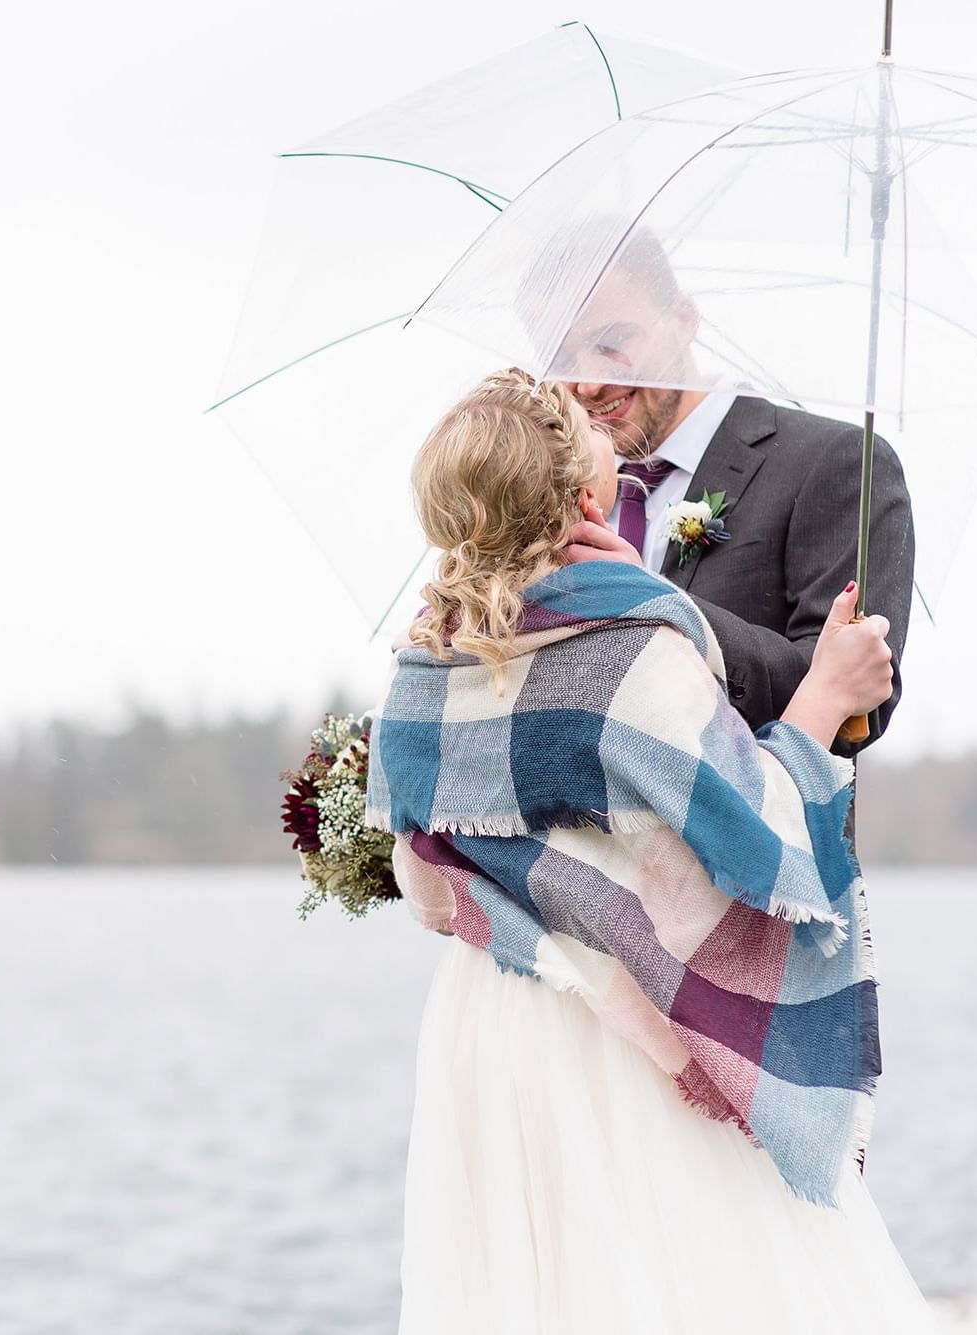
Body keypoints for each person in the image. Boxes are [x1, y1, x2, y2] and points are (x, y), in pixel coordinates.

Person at [366, 370, 935, 1334]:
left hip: (490, 1026)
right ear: (587, 505)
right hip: (621, 1019)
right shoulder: (635, 654)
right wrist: (827, 695)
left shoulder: (418, 672)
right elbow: (761, 841)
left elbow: (422, 884)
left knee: (537, 1290)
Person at [547, 232, 915, 754]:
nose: (586, 382)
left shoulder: (834, 461)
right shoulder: (555, 495)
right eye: (561, 356)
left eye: (611, 342)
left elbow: (854, 709)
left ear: (684, 317)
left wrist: (650, 602)